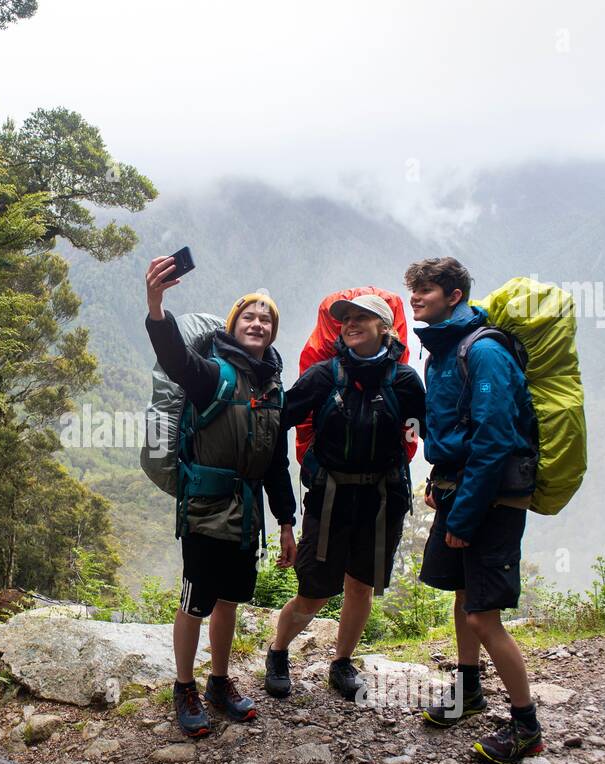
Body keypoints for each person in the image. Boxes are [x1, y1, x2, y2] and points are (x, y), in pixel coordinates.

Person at [144, 255, 297, 738]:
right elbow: (174, 357)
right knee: (196, 600)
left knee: (230, 600)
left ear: (273, 332)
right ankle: (184, 686)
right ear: (234, 326)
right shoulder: (212, 374)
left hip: (248, 514)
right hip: (206, 510)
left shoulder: (272, 388)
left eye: (266, 318)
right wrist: (156, 304)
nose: (258, 323)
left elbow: (274, 462)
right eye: (249, 316)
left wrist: (287, 521)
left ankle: (219, 682)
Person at [405, 256, 544, 764]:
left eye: (426, 290)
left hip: (491, 498)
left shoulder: (482, 351)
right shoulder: (441, 350)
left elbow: (494, 439)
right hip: (459, 489)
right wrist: (441, 484)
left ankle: (527, 725)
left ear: (455, 294)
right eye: (414, 289)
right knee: (464, 596)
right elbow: (453, 431)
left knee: (484, 616)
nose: (416, 297)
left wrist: (464, 515)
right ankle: (469, 692)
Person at [263, 295, 425, 701]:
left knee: (360, 585)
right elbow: (278, 419)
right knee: (314, 590)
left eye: (362, 318)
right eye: (346, 318)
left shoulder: (405, 381)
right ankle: (278, 653)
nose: (350, 324)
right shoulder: (323, 376)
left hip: (381, 497)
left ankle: (342, 662)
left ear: (385, 327)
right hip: (330, 496)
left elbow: (424, 430)